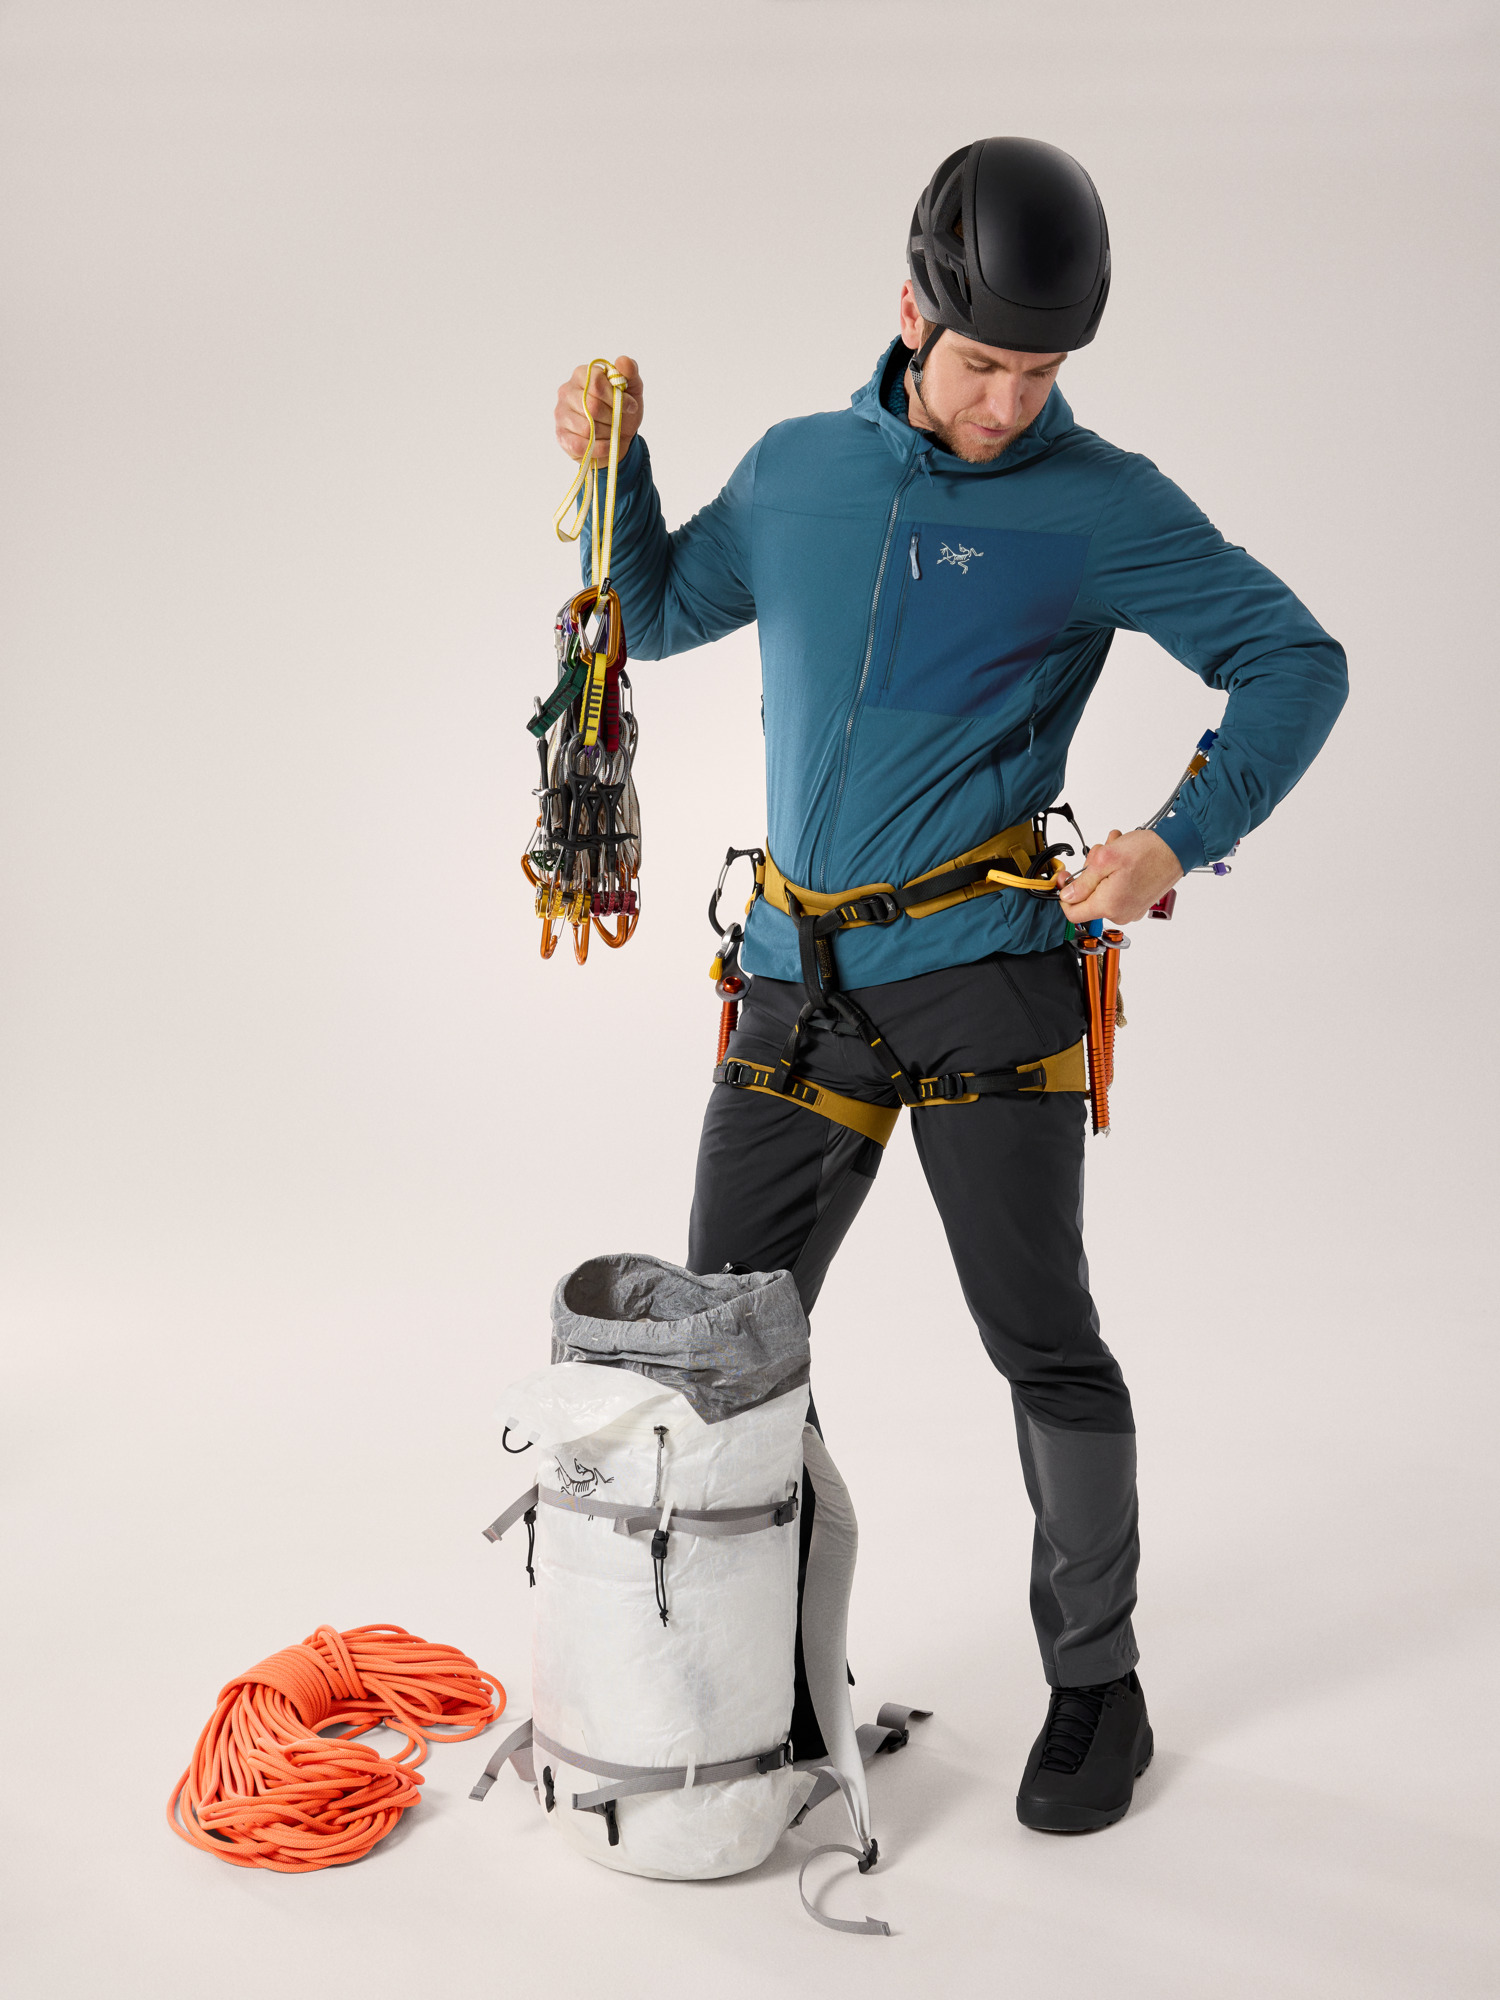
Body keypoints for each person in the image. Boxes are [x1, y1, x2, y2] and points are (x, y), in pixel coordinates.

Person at [552, 137, 1346, 1834]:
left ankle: (1099, 1688)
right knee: (724, 1354)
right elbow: (656, 611)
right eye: (985, 363)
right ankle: (758, 1689)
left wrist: (1174, 839)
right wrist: (616, 471)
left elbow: (1296, 658)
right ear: (911, 312)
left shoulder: (1101, 503)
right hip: (798, 984)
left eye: (1040, 373)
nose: (1008, 404)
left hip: (990, 980)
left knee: (1043, 1340)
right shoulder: (800, 472)